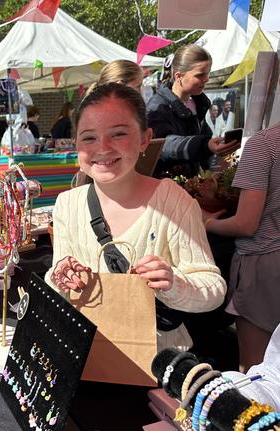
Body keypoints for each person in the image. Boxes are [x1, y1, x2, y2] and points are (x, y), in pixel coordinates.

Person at [46, 83, 226, 350]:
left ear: (144, 139)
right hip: (88, 353)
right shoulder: (67, 204)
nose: (103, 148)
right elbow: (58, 274)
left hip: (157, 357)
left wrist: (173, 283)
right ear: (77, 145)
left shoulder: (173, 202)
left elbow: (213, 289)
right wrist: (59, 277)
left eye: (118, 134)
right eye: (89, 138)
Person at [204, 124, 280, 371]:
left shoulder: (264, 144)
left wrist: (206, 221)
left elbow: (246, 224)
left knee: (256, 373)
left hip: (263, 266)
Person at [146, 45, 239, 178]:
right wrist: (205, 145)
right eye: (200, 75)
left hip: (191, 183)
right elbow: (163, 145)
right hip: (167, 186)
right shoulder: (157, 107)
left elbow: (204, 142)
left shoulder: (198, 103)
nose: (206, 79)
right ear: (178, 76)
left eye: (207, 73)